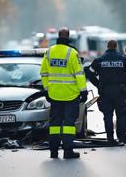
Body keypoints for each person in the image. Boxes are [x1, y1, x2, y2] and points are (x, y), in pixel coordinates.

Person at [40, 27, 88, 159]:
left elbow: (43, 73)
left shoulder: (49, 52)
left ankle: (53, 151)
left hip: (54, 95)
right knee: (68, 125)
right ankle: (68, 151)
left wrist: (46, 90)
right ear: (69, 37)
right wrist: (83, 91)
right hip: (70, 95)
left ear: (58, 36)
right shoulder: (72, 53)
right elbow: (79, 74)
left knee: (54, 124)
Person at [87, 40, 126, 145]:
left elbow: (89, 74)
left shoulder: (99, 60)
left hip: (105, 91)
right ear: (116, 47)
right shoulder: (123, 59)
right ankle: (122, 138)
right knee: (121, 115)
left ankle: (110, 138)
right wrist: (124, 82)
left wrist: (98, 84)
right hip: (120, 91)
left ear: (107, 47)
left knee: (107, 115)